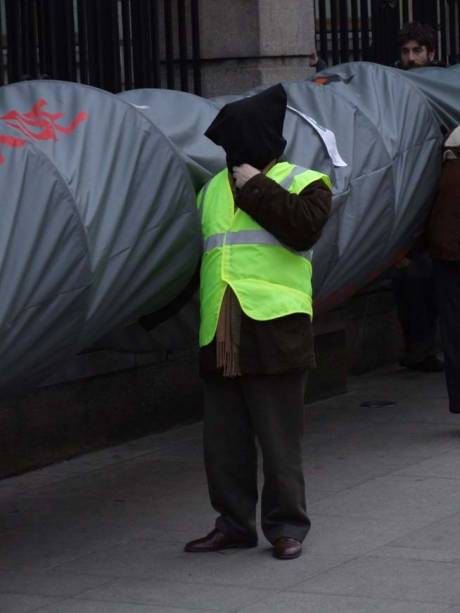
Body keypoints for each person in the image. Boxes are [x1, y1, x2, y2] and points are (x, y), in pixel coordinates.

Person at [184, 84, 332, 560]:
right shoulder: (210, 190)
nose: (229, 154)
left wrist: (255, 186)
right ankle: (233, 524)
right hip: (220, 327)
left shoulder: (305, 181)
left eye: (234, 143)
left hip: (275, 326)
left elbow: (302, 228)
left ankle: (287, 527)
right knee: (223, 441)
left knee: (279, 437)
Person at [391, 22, 444, 372]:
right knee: (411, 277)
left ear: (431, 54)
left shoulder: (442, 87)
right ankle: (419, 349)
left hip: (439, 197)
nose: (411, 58)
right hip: (410, 197)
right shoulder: (392, 85)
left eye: (417, 51)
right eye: (406, 52)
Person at [427, 127, 460, 412]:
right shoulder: (449, 166)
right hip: (449, 259)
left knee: (454, 337)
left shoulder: (448, 168)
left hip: (448, 260)